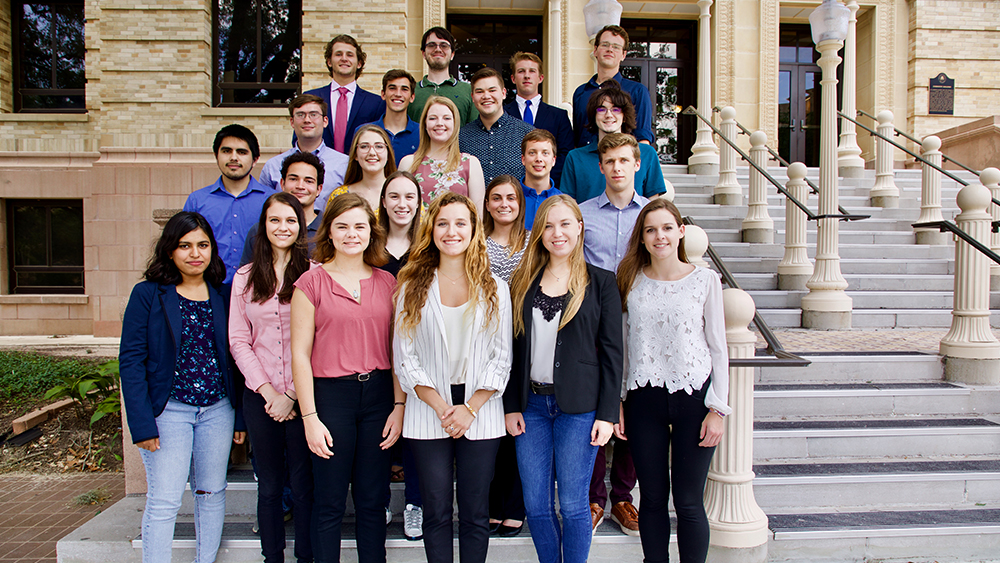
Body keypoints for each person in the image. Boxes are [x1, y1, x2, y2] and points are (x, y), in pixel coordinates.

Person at [119, 211, 246, 563]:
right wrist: (142, 424)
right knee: (166, 499)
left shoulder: (223, 294)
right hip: (168, 412)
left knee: (211, 492)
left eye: (203, 245)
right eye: (185, 245)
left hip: (218, 410)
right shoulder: (148, 295)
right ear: (170, 251)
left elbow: (235, 358)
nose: (195, 253)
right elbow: (130, 362)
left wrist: (239, 420)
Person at [393, 192, 512, 563]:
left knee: (476, 513)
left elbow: (501, 357)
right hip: (429, 408)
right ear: (431, 230)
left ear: (474, 229)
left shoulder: (495, 286)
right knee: (436, 510)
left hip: (482, 409)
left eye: (461, 223)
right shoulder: (411, 283)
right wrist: (444, 407)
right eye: (443, 223)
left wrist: (470, 408)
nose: (451, 231)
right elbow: (404, 357)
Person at [504, 195, 623, 563]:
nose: (558, 233)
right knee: (536, 505)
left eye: (566, 224)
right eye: (549, 226)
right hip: (532, 407)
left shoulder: (602, 282)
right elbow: (510, 348)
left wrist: (607, 413)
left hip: (580, 409)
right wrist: (511, 406)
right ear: (539, 233)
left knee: (573, 505)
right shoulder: (522, 282)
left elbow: (613, 352)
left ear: (580, 227)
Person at [290, 194, 404, 563]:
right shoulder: (310, 283)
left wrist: (399, 406)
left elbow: (400, 350)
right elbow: (299, 356)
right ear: (330, 233)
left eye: (359, 226)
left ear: (372, 232)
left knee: (373, 501)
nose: (351, 234)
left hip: (378, 398)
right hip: (330, 399)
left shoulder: (389, 283)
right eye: (342, 226)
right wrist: (309, 417)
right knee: (329, 502)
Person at [615, 198, 730, 563]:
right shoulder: (629, 280)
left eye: (667, 228)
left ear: (681, 232)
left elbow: (718, 348)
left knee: (688, 501)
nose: (659, 236)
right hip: (642, 400)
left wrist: (719, 408)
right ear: (643, 238)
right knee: (650, 497)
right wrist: (618, 403)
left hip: (694, 399)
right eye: (651, 230)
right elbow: (624, 346)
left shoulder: (705, 280)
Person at [230, 192, 314, 563]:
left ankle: (306, 555)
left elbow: (319, 339)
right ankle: (273, 557)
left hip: (304, 397)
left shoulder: (313, 275)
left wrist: (293, 394)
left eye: (291, 220)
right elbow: (238, 339)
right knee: (269, 485)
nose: (283, 227)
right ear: (264, 226)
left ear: (300, 227)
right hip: (260, 396)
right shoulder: (245, 278)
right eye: (275, 220)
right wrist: (268, 393)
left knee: (304, 484)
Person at [578, 132, 648, 536]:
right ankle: (593, 497)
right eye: (610, 162)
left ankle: (622, 495)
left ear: (637, 164)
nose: (617, 168)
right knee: (597, 405)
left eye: (625, 161)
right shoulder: (585, 214)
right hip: (596, 324)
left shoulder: (653, 215)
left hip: (642, 324)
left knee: (636, 408)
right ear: (600, 167)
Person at [375, 170, 425, 540]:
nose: (402, 204)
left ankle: (415, 505)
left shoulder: (426, 247)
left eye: (410, 197)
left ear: (419, 203)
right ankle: (378, 500)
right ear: (383, 201)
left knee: (416, 433)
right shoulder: (370, 246)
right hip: (374, 350)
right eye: (394, 196)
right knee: (381, 429)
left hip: (417, 352)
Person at [481, 175, 529, 537]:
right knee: (491, 428)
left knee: (517, 427)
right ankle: (492, 504)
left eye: (510, 198)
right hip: (485, 342)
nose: (504, 204)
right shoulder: (477, 244)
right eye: (496, 198)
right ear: (486, 204)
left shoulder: (532, 242)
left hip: (525, 340)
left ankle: (514, 505)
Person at [183, 124, 274, 283]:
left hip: (259, 286)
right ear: (216, 155)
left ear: (255, 159)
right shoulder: (197, 200)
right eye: (226, 151)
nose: (233, 157)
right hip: (210, 287)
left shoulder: (272, 200)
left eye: (242, 152)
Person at [561, 84, 667, 204]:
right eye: (601, 109)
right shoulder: (575, 158)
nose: (609, 115)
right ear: (594, 116)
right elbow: (570, 205)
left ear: (625, 116)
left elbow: (652, 203)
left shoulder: (647, 153)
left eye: (616, 109)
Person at [400, 96, 486, 215]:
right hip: (419, 233)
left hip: (458, 233)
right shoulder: (409, 163)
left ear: (455, 124)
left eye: (446, 118)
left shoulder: (471, 163)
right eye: (433, 118)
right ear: (425, 123)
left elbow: (478, 216)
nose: (439, 123)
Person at [572, 25, 653, 148]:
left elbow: (643, 139)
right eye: (605, 45)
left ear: (623, 55)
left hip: (619, 163)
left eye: (616, 47)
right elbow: (577, 137)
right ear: (595, 50)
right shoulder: (581, 92)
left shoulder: (637, 91)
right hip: (585, 163)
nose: (610, 49)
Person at [261, 94, 349, 207]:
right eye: (300, 115)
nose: (307, 120)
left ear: (325, 121)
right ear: (292, 122)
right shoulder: (273, 166)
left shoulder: (344, 164)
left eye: (313, 115)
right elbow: (264, 206)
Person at [240, 151, 326, 267]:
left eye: (308, 181)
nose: (300, 186)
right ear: (282, 183)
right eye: (293, 179)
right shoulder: (259, 230)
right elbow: (247, 276)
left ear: (319, 189)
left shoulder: (328, 231)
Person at [304, 35, 386, 154]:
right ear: (329, 62)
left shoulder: (376, 103)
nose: (344, 58)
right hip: (318, 167)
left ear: (359, 63)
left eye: (349, 55)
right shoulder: (311, 98)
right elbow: (300, 138)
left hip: (359, 169)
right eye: (338, 54)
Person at [504, 52, 573, 188]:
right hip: (511, 189)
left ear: (540, 78)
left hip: (548, 187)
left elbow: (565, 154)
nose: (527, 75)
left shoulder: (559, 116)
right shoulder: (503, 114)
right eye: (521, 71)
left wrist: (543, 180)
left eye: (532, 71)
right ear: (513, 78)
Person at [460, 67, 534, 185]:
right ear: (473, 97)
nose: (486, 96)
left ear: (503, 93)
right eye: (479, 92)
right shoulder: (461, 137)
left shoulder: (527, 134)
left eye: (492, 90)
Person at [409, 27, 478, 125]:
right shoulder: (411, 91)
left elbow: (474, 133)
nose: (438, 49)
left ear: (452, 54)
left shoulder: (468, 91)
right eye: (431, 45)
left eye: (444, 45)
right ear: (423, 53)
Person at [326, 124, 398, 212]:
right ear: (355, 154)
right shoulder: (339, 195)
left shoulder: (403, 194)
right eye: (364, 146)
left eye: (379, 146)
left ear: (388, 154)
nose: (372, 152)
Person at [357, 70, 421, 165]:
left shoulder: (422, 133)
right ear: (383, 94)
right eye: (392, 88)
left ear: (412, 97)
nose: (398, 94)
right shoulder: (364, 132)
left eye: (404, 89)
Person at [518, 129, 562, 228]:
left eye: (545, 153)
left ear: (553, 160)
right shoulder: (511, 199)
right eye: (532, 153)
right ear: (523, 159)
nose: (538, 159)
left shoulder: (562, 201)